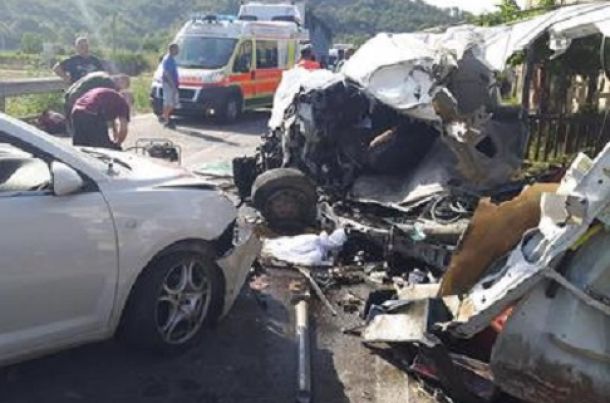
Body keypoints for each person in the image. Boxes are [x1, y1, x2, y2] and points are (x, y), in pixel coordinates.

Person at [159, 43, 180, 129]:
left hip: (170, 84)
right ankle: (165, 117)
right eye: (177, 49)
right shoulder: (168, 60)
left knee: (169, 103)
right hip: (169, 84)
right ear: (172, 49)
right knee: (171, 103)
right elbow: (167, 73)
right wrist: (173, 86)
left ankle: (165, 119)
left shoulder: (171, 59)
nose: (178, 51)